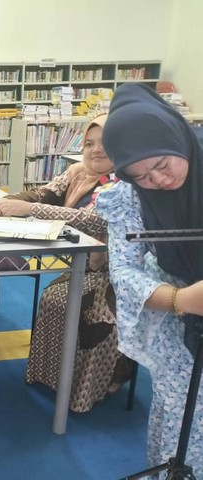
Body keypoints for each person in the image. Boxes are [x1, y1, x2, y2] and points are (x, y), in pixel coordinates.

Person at [0, 114, 134, 412]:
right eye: (89, 143)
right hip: (82, 265)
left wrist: (28, 209)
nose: (96, 150)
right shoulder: (77, 172)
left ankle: (90, 387)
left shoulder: (125, 185)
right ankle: (53, 378)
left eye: (105, 143)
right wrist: (7, 202)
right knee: (54, 298)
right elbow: (44, 194)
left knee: (88, 311)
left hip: (116, 274)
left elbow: (91, 220)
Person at [96, 82, 203, 474]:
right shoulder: (127, 196)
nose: (158, 180)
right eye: (140, 175)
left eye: (162, 164)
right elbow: (123, 270)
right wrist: (180, 299)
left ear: (177, 138)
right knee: (183, 422)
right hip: (180, 322)